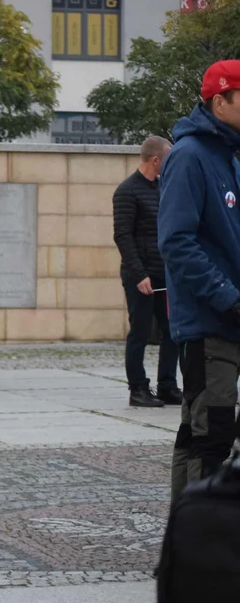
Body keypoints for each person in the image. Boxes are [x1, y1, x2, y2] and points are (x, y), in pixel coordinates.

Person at [159, 59, 240, 506]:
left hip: (225, 320)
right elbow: (176, 241)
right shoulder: (191, 157)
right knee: (211, 437)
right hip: (210, 322)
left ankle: (186, 543)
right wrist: (228, 298)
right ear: (220, 100)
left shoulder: (226, 156)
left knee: (199, 433)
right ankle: (198, 551)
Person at [113, 135, 179, 408]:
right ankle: (138, 389)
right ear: (155, 160)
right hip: (139, 275)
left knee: (172, 332)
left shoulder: (164, 187)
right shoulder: (127, 191)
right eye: (168, 159)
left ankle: (167, 385)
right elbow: (123, 236)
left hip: (164, 273)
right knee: (139, 332)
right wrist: (139, 275)